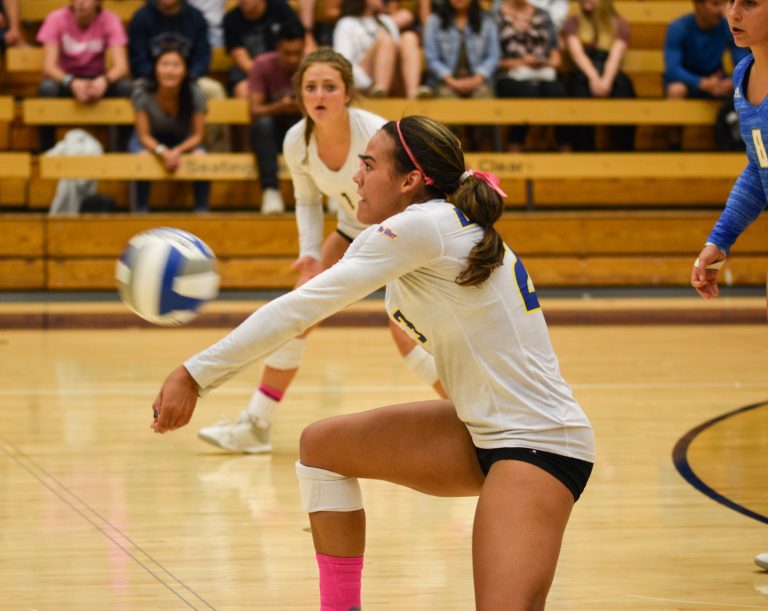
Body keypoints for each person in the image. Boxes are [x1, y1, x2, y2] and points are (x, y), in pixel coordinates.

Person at [151, 114, 595, 610]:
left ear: (410, 181)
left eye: (368, 164)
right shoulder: (431, 228)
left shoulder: (422, 226)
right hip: (483, 430)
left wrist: (195, 374)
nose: (356, 177)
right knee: (323, 447)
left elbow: (299, 309)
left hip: (538, 441)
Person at [196, 49, 444, 453]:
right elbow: (307, 200)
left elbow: (413, 191)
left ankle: (473, 418)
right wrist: (310, 253)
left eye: (330, 86)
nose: (320, 95)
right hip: (353, 228)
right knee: (297, 313)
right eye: (310, 87)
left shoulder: (375, 133)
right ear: (299, 95)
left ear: (347, 92)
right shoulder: (297, 140)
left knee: (405, 332)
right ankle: (256, 424)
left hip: (404, 230)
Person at [687, 0, 766, 569]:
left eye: (750, 2)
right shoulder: (743, 74)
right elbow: (759, 170)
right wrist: (721, 238)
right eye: (731, 2)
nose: (733, 12)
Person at [129, 0, 230, 152]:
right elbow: (137, 60)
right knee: (136, 90)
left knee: (214, 90)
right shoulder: (142, 17)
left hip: (189, 76)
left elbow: (203, 58)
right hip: (150, 77)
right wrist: (160, 75)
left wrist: (184, 77)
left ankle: (216, 151)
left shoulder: (196, 17)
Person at [36, 0, 133, 152]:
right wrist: (71, 82)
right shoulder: (56, 18)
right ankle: (47, 151)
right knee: (46, 88)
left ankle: (121, 152)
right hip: (66, 80)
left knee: (126, 87)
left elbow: (122, 67)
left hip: (97, 80)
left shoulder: (110, 19)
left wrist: (105, 80)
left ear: (97, 2)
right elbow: (49, 67)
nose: (81, 2)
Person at [128, 46, 210, 213]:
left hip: (183, 139)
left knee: (201, 155)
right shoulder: (142, 91)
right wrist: (163, 152)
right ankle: (140, 211)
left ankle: (202, 211)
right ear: (155, 68)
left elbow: (198, 135)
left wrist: (177, 151)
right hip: (149, 139)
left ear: (185, 70)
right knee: (142, 157)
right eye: (164, 64)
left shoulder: (195, 92)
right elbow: (143, 135)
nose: (170, 71)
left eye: (176, 65)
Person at [664, 0, 749, 149]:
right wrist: (701, 82)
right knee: (676, 90)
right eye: (715, 4)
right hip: (688, 81)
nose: (720, 10)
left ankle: (732, 142)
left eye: (722, 4)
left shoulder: (728, 27)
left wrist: (732, 82)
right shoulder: (678, 27)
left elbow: (743, 63)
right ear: (698, 4)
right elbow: (673, 69)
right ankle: (674, 143)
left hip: (716, 80)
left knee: (744, 86)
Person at [494, 0, 572, 151]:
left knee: (558, 93)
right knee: (527, 93)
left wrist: (541, 62)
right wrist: (522, 62)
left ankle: (565, 150)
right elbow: (493, 60)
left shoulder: (543, 15)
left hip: (542, 72)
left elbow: (557, 59)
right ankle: (515, 147)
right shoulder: (496, 16)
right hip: (508, 74)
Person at [423, 0, 500, 148]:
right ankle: (454, 154)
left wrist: (478, 78)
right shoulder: (434, 20)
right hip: (445, 82)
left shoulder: (486, 20)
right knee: (448, 105)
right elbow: (431, 58)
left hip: (479, 81)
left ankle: (485, 153)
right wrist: (450, 80)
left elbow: (493, 56)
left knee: (484, 101)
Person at [248, 21, 305, 214]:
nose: (293, 59)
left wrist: (302, 106)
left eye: (297, 53)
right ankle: (270, 190)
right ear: (277, 48)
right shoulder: (262, 64)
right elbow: (255, 110)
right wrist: (279, 107)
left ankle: (329, 192)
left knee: (320, 123)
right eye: (287, 53)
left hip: (302, 129)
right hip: (272, 134)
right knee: (262, 124)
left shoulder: (312, 65)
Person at [563, 0, 636, 151]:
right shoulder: (573, 22)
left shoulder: (620, 24)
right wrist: (594, 78)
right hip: (583, 71)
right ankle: (583, 151)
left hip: (610, 70)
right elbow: (577, 55)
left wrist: (606, 80)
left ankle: (624, 150)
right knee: (578, 95)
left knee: (624, 94)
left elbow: (615, 57)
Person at [333, 0, 423, 98]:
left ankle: (413, 93)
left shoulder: (387, 21)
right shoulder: (346, 23)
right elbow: (343, 61)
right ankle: (380, 91)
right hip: (363, 81)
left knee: (409, 37)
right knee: (385, 40)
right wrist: (365, 83)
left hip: (393, 78)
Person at [222, 0, 303, 99]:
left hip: (284, 68)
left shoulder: (280, 8)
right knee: (243, 90)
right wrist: (265, 80)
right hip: (248, 73)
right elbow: (241, 59)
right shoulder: (231, 19)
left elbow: (299, 39)